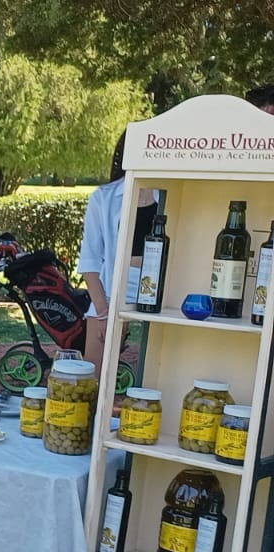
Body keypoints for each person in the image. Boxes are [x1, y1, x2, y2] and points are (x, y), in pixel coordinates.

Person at [77, 131, 157, 372]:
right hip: (113, 289)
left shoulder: (172, 194)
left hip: (161, 291)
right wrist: (103, 313)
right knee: (94, 375)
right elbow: (89, 263)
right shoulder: (103, 197)